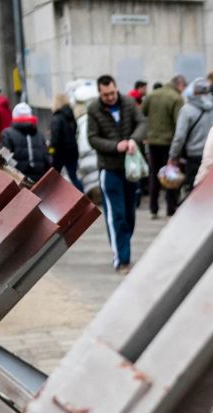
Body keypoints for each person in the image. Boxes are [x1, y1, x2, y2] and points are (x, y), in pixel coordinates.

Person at [86, 74, 146, 273]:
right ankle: (122, 259)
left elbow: (142, 124)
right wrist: (115, 146)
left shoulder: (129, 102)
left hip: (130, 170)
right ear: (99, 93)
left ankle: (121, 246)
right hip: (109, 169)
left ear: (116, 88)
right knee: (116, 215)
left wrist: (133, 140)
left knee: (129, 215)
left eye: (112, 93)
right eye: (106, 95)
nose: (110, 97)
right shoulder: (93, 109)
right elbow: (92, 138)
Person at [142, 74, 186, 218]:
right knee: (171, 175)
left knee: (154, 175)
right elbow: (179, 123)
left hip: (153, 142)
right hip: (169, 143)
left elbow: (143, 114)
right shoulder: (176, 98)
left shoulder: (151, 95)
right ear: (179, 85)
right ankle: (170, 208)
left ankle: (153, 208)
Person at [168, 80, 213, 195]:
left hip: (194, 156)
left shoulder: (187, 110)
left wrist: (173, 155)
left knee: (193, 189)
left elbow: (180, 136)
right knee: (211, 190)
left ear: (194, 92)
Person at [0, 103, 51, 183]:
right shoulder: (39, 135)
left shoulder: (7, 134)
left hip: (18, 180)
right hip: (39, 180)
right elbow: (47, 159)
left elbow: (5, 160)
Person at [49, 93, 83, 191]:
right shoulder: (71, 116)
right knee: (74, 176)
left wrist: (50, 152)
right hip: (73, 151)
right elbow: (75, 130)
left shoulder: (56, 118)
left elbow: (55, 139)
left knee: (53, 179)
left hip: (60, 154)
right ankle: (83, 197)